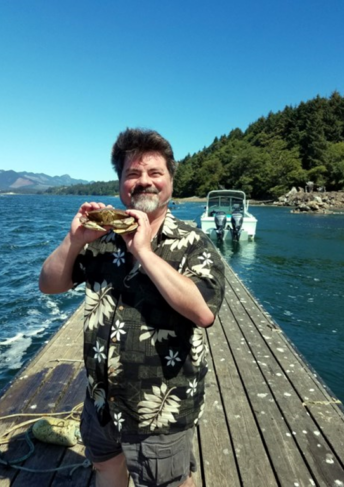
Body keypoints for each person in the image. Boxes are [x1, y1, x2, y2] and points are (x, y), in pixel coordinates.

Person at [39, 128, 225, 487]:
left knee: (167, 480)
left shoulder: (193, 242)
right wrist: (74, 240)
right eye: (132, 174)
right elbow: (49, 285)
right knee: (107, 469)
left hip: (161, 405)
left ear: (170, 180)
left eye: (155, 173)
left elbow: (203, 312)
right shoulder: (101, 241)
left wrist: (142, 250)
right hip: (101, 401)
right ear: (121, 184)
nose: (145, 182)